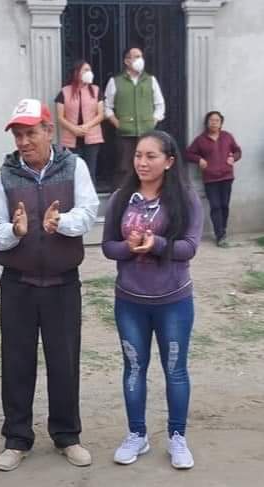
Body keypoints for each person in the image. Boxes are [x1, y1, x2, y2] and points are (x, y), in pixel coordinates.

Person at [0, 98, 99, 472]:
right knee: (16, 362)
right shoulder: (2, 178)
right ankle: (17, 438)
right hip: (18, 283)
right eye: (18, 135)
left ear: (49, 131)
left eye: (30, 133)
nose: (23, 142)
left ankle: (67, 435)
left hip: (63, 283)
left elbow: (88, 212)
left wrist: (61, 222)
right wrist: (14, 231)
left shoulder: (74, 167)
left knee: (64, 361)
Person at [101, 130, 203, 470]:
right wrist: (129, 247)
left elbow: (190, 246)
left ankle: (177, 437)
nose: (142, 162)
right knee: (134, 368)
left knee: (175, 370)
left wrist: (156, 244)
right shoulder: (121, 198)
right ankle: (137, 434)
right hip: (130, 301)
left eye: (151, 156)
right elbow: (108, 247)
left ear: (169, 161)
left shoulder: (186, 198)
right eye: (138, 155)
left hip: (174, 301)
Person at [105, 47, 166, 189]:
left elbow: (160, 104)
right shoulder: (115, 81)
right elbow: (107, 106)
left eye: (141, 56)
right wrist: (118, 124)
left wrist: (153, 121)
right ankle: (122, 196)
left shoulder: (150, 80)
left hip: (147, 134)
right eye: (136, 56)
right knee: (124, 167)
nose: (140, 59)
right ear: (127, 61)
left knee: (147, 165)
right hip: (125, 134)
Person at [185, 110, 241, 247]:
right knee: (215, 206)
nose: (214, 123)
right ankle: (220, 236)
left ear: (221, 123)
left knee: (224, 205)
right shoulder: (200, 140)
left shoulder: (227, 136)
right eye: (211, 120)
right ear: (207, 123)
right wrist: (199, 159)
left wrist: (233, 158)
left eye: (217, 120)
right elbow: (188, 154)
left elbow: (238, 151)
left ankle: (223, 231)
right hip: (210, 179)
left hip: (227, 177)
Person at [55, 60, 104, 184]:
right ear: (77, 73)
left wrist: (86, 126)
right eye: (86, 70)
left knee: (90, 171)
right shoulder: (64, 92)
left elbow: (100, 115)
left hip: (92, 138)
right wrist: (74, 129)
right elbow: (60, 117)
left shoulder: (96, 90)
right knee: (73, 171)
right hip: (71, 139)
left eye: (90, 70)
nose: (89, 73)